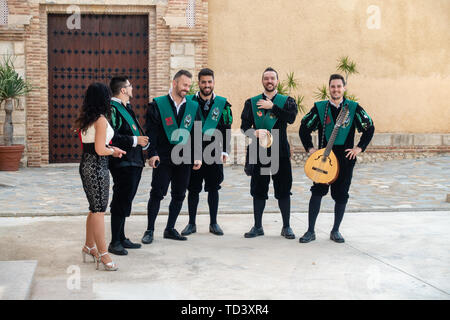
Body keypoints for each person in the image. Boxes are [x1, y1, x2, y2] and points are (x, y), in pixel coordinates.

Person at [298, 74, 374, 243]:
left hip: (345, 157)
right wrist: (310, 148)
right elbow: (304, 127)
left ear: (344, 88)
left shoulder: (353, 108)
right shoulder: (319, 108)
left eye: (339, 86)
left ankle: (335, 230)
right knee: (317, 192)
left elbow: (369, 127)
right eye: (333, 86)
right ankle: (310, 231)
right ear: (329, 88)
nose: (336, 89)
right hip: (324, 158)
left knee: (341, 194)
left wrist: (359, 148)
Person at [142, 70, 202, 244]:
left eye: (189, 86)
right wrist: (151, 154)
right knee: (157, 194)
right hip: (163, 158)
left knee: (179, 194)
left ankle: (170, 228)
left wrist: (198, 155)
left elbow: (197, 132)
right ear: (174, 83)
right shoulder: (157, 105)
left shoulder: (192, 106)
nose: (187, 89)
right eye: (184, 85)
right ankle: (150, 230)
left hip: (185, 158)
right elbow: (151, 132)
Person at [240, 67, 298, 239]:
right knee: (258, 189)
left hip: (280, 152)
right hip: (259, 152)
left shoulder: (287, 101)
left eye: (272, 78)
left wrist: (273, 107)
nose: (269, 81)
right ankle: (257, 226)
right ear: (262, 81)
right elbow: (244, 127)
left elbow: (291, 118)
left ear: (277, 81)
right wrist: (254, 133)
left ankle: (286, 227)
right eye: (266, 78)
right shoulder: (251, 102)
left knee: (284, 189)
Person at [76, 82, 126, 271]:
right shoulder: (101, 120)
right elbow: (99, 149)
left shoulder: (87, 119)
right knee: (99, 211)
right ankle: (104, 255)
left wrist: (111, 148)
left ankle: (89, 246)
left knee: (94, 208)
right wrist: (113, 152)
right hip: (97, 167)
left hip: (87, 164)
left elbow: (93, 146)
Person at [181, 68, 233, 237]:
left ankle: (213, 223)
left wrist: (225, 150)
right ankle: (191, 223)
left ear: (213, 82)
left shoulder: (223, 104)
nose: (207, 85)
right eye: (203, 82)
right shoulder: (188, 102)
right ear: (199, 83)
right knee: (193, 189)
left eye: (209, 82)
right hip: (193, 152)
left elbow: (226, 129)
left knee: (213, 188)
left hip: (214, 152)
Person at [107, 76, 149, 256]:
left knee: (126, 201)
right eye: (130, 86)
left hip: (133, 161)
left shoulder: (126, 107)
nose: (132, 88)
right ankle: (114, 241)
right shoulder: (112, 109)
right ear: (123, 90)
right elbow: (111, 137)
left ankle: (122, 237)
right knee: (120, 201)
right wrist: (135, 140)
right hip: (122, 162)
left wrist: (143, 143)